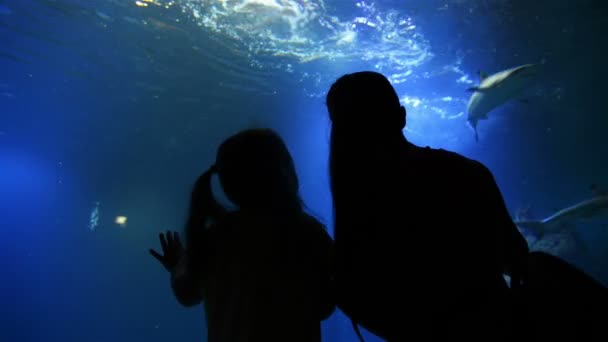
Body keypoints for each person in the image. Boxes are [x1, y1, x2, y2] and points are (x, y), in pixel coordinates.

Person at [325, 71, 530, 341]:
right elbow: (516, 259)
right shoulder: (465, 173)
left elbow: (350, 294)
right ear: (402, 116)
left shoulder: (357, 205)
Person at [150, 128, 335, 342]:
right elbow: (324, 306)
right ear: (284, 173)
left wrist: (177, 266)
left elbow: (187, 294)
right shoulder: (306, 232)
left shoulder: (215, 238)